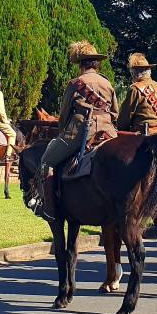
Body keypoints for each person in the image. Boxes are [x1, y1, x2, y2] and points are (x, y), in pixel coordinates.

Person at [34, 41, 118, 219]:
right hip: (109, 132)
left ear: (81, 64)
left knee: (46, 162)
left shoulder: (76, 83)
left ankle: (49, 208)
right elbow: (115, 113)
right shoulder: (107, 83)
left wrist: (63, 132)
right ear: (96, 63)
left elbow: (64, 114)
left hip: (80, 132)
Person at [116, 53, 157, 134]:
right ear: (149, 71)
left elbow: (125, 117)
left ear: (134, 73)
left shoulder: (135, 89)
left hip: (142, 136)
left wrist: (121, 129)